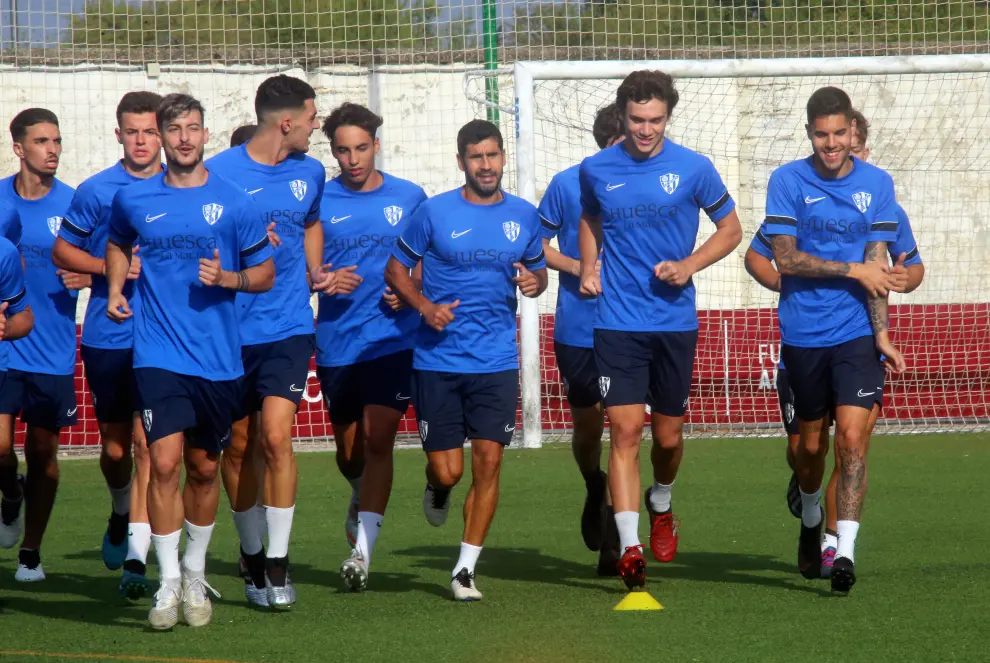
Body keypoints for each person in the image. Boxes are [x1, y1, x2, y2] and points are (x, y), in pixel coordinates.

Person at [105, 93, 274, 629]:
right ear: (158, 135)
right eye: (173, 128)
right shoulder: (134, 199)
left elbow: (264, 274)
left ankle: (196, 572)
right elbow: (116, 242)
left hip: (220, 361)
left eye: (192, 128)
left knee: (204, 470)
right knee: (164, 462)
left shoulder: (236, 203)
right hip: (157, 354)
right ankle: (168, 584)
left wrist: (227, 280)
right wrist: (114, 287)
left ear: (205, 135)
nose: (183, 138)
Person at [576, 71, 742, 590]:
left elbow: (731, 230)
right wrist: (587, 266)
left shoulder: (694, 168)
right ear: (621, 116)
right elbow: (589, 219)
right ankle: (630, 548)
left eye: (655, 120)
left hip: (674, 322)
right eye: (636, 120)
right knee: (624, 433)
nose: (646, 130)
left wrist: (689, 265)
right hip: (617, 323)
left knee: (666, 439)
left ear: (668, 116)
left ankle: (662, 501)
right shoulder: (596, 168)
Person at [745, 107, 923, 578]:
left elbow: (888, 264)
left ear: (856, 138)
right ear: (811, 135)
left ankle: (842, 552)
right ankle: (810, 516)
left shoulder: (880, 190)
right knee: (809, 451)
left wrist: (884, 327)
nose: (834, 144)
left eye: (843, 135)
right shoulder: (788, 185)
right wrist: (789, 288)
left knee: (851, 442)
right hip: (803, 339)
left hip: (856, 336)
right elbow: (769, 257)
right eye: (823, 134)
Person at [385, 119, 548, 601]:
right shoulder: (433, 213)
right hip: (437, 362)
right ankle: (437, 487)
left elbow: (538, 273)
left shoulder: (524, 216)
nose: (486, 165)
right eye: (476, 157)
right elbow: (396, 270)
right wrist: (424, 307)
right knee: (449, 471)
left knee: (490, 464)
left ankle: (464, 571)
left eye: (493, 155)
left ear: (502, 159)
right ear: (461, 162)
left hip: (496, 362)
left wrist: (536, 284)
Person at [208, 74, 327, 610]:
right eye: (311, 117)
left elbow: (312, 222)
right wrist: (246, 247)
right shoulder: (218, 174)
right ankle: (251, 553)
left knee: (277, 438)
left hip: (288, 328)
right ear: (287, 122)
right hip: (230, 330)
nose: (315, 125)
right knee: (239, 446)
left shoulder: (312, 172)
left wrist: (314, 267)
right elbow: (196, 245)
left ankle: (277, 564)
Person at [52, 91, 162, 598]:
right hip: (108, 335)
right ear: (118, 134)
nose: (142, 141)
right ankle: (120, 512)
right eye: (133, 131)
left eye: (151, 131)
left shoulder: (182, 186)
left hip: (165, 339)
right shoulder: (97, 190)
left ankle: (137, 560)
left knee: (148, 446)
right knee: (117, 448)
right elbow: (63, 248)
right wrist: (108, 269)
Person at [313, 103, 427, 592]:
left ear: (376, 145)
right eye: (343, 150)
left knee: (379, 440)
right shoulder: (318, 200)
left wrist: (410, 287)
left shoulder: (410, 197)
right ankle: (358, 492)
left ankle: (362, 554)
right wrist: (321, 280)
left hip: (392, 340)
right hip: (338, 342)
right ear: (333, 152)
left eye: (361, 147)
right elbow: (300, 267)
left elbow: (429, 257)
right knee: (349, 452)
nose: (353, 158)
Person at [538, 102, 624, 576]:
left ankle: (616, 534)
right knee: (589, 427)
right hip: (578, 328)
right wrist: (579, 267)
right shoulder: (567, 184)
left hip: (632, 325)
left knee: (626, 426)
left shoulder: (649, 183)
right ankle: (595, 484)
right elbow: (538, 243)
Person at [0, 108, 78, 582]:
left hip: (52, 349)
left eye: (57, 140)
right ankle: (11, 494)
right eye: (41, 141)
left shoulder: (75, 203)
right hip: (7, 350)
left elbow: (110, 260)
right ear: (19, 148)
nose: (51, 150)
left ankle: (31, 549)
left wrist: (86, 273)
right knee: (1, 450)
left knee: (44, 454)